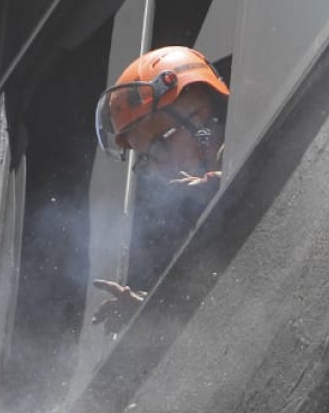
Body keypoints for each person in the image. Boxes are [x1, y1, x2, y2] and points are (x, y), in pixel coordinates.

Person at [90, 45, 230, 328]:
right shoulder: (198, 216)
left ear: (200, 116)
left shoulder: (253, 148)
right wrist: (154, 309)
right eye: (148, 161)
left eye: (161, 146)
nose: (159, 170)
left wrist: (220, 186)